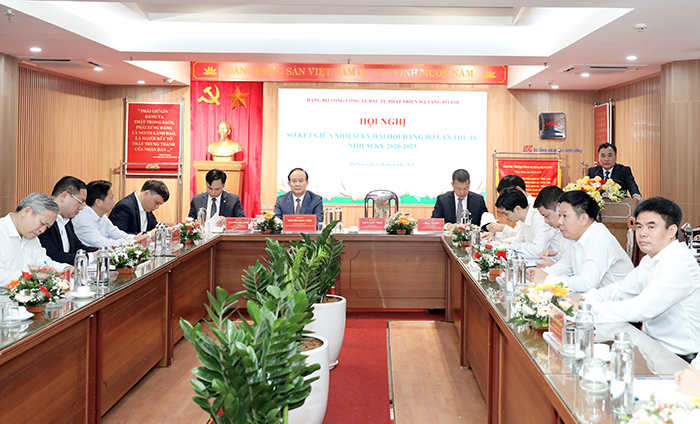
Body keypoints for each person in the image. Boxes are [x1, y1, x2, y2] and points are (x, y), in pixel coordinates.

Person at [583, 197, 700, 361]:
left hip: (679, 358)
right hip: (652, 346)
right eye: (639, 226)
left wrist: (591, 309)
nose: (642, 233)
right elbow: (621, 289)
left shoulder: (679, 263)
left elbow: (642, 308)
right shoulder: (651, 259)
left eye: (651, 227)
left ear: (672, 231)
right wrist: (586, 299)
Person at [527, 190, 633, 292]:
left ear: (583, 219)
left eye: (565, 216)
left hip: (617, 301)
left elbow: (587, 282)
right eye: (559, 216)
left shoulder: (599, 238)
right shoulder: (574, 237)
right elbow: (564, 266)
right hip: (594, 297)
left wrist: (547, 279)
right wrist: (538, 273)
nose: (559, 221)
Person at [0, 193, 70, 284]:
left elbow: (44, 262)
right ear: (26, 211)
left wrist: (65, 268)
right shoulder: (2, 232)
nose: (42, 230)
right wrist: (31, 276)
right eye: (42, 223)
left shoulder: (31, 237)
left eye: (47, 227)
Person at [38, 176, 97, 264]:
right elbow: (52, 256)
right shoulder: (43, 218)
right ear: (64, 196)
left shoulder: (67, 219)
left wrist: (101, 252)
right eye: (80, 202)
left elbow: (77, 246)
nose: (81, 208)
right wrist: (91, 256)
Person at [73, 180, 148, 248]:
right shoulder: (83, 218)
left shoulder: (102, 217)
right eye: (111, 197)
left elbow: (118, 234)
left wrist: (135, 238)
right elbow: (101, 243)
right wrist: (131, 242)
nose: (114, 201)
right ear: (98, 202)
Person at [493, 187, 557, 257]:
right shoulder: (525, 216)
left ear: (518, 209)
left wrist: (511, 245)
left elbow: (538, 249)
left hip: (553, 261)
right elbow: (519, 239)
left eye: (506, 213)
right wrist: (502, 243)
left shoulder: (540, 217)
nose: (505, 217)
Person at [532, 185, 566, 267]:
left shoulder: (572, 231)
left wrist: (553, 265)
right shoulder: (562, 229)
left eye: (546, 216)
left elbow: (574, 271)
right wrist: (555, 256)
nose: (546, 221)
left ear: (559, 208)